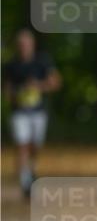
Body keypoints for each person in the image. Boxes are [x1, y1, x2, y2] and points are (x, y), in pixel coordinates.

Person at [4, 28, 61, 196]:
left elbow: (56, 83)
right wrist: (18, 94)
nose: (23, 47)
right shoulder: (11, 65)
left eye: (26, 44)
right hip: (19, 113)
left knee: (34, 145)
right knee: (22, 145)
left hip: (38, 112)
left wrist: (38, 86)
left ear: (32, 45)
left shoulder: (42, 61)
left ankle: (32, 171)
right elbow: (7, 91)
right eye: (20, 44)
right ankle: (25, 182)